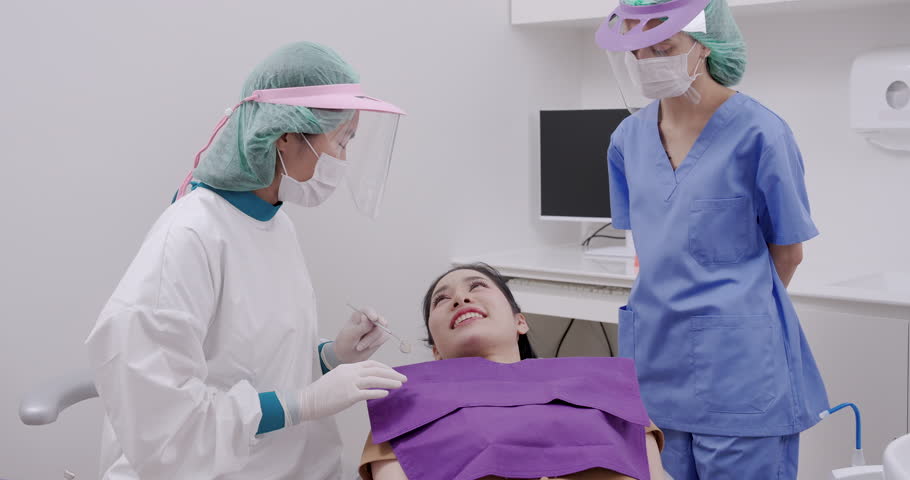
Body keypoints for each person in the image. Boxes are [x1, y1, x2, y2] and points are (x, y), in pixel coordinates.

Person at [85, 41, 408, 479]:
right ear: (286, 137)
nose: (343, 160)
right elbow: (165, 422)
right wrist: (305, 403)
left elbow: (243, 363)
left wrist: (330, 356)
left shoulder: (273, 225)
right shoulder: (190, 236)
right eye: (341, 141)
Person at [595, 1, 829, 478]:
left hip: (740, 373)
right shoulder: (627, 140)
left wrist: (735, 316)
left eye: (664, 47)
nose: (648, 61)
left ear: (704, 46)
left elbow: (789, 251)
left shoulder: (761, 132)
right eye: (638, 51)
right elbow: (653, 244)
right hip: (657, 361)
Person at [359, 264, 668, 480]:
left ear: (520, 321)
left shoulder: (608, 391)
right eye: (442, 300)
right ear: (435, 351)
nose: (460, 299)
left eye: (477, 286)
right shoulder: (402, 414)